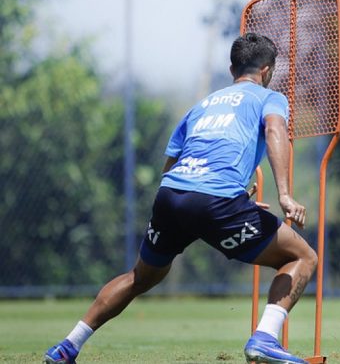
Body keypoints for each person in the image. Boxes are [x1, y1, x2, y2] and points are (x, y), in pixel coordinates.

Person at [44, 33, 317, 364]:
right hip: (217, 202)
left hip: (172, 195)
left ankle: (67, 346)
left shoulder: (200, 106)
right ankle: (264, 339)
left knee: (139, 277)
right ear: (268, 69)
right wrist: (284, 195)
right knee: (301, 256)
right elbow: (275, 132)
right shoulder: (268, 98)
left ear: (232, 68)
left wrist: (229, 201)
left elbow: (170, 165)